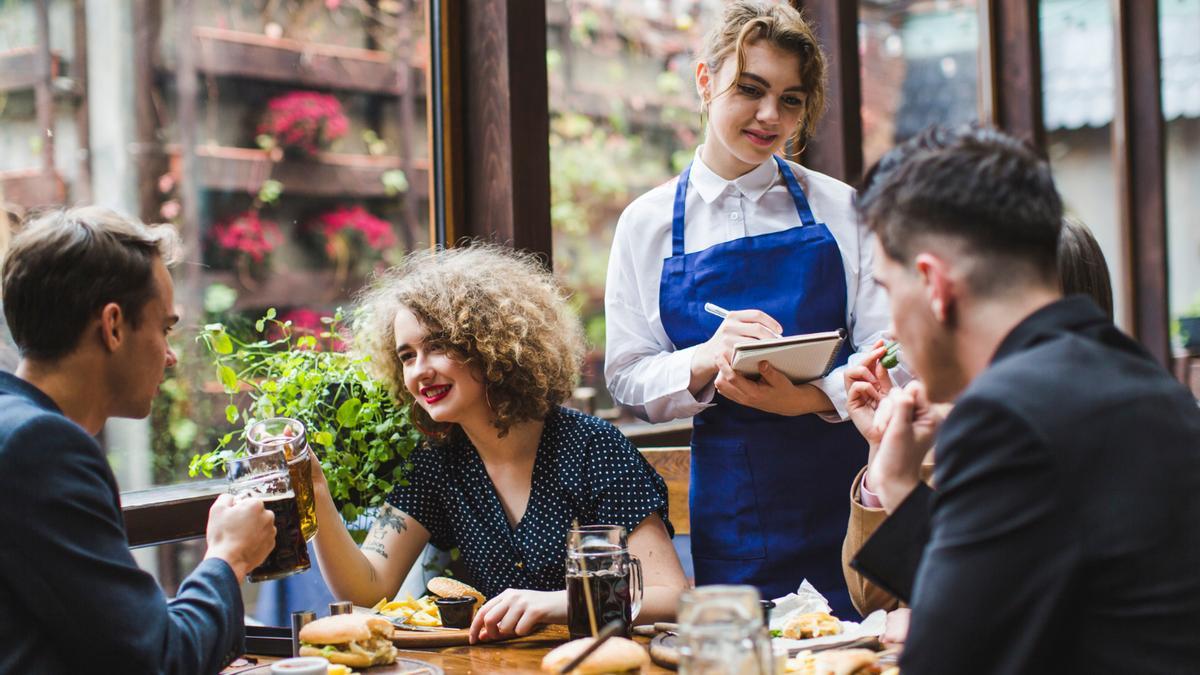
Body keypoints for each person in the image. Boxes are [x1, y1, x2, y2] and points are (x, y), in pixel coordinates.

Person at [848, 126, 1200, 672]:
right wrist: (897, 484)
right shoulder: (1143, 384)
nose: (891, 324)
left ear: (934, 285)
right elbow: (992, 593)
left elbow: (949, 658)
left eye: (890, 292)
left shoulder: (1007, 414)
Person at [603, 0, 889, 615]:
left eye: (790, 100)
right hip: (735, 511)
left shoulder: (842, 209)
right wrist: (705, 358)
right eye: (751, 90)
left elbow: (893, 352)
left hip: (851, 498)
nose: (770, 117)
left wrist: (809, 397)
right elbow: (627, 376)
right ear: (706, 81)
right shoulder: (647, 224)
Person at [309, 244, 688, 643]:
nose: (420, 371)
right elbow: (369, 586)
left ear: (491, 345)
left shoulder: (593, 449)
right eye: (407, 355)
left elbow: (672, 596)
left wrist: (557, 602)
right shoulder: (438, 464)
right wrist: (314, 489)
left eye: (438, 345)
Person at [0, 206, 276, 674]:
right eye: (165, 328)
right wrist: (229, 557)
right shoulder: (40, 446)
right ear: (112, 326)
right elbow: (157, 660)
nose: (170, 356)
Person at [841, 214, 1118, 617]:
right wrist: (884, 452)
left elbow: (989, 606)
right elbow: (872, 598)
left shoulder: (1101, 433)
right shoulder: (949, 420)